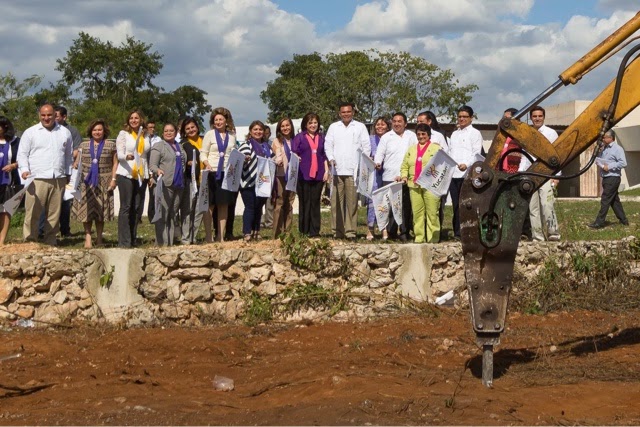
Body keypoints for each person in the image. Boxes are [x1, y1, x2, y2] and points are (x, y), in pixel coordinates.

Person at [17, 103, 73, 246]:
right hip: (37, 178)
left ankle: (50, 240)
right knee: (33, 212)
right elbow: (22, 154)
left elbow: (68, 156)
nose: (46, 118)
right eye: (43, 115)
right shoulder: (30, 132)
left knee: (54, 213)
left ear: (55, 115)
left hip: (58, 178)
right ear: (39, 115)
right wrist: (24, 170)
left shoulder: (65, 133)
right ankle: (30, 241)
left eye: (49, 115)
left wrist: (68, 174)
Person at [325, 102, 370, 240]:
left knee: (352, 203)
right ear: (339, 113)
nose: (346, 114)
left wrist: (362, 166)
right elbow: (328, 144)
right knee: (336, 203)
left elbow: (366, 147)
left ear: (353, 112)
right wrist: (331, 158)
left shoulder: (360, 127)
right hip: (337, 170)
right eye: (343, 112)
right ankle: (337, 231)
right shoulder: (334, 127)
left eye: (348, 112)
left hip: (353, 171)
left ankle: (350, 232)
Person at [72, 119, 117, 248]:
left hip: (104, 181)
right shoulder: (83, 145)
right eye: (95, 130)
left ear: (104, 131)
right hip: (86, 183)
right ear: (91, 131)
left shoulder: (111, 145)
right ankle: (88, 237)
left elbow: (115, 163)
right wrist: (75, 164)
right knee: (86, 211)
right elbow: (78, 162)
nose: (97, 132)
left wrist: (114, 180)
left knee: (100, 212)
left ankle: (99, 238)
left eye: (100, 130)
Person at [374, 112, 417, 241]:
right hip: (389, 176)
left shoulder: (411, 136)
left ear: (405, 123)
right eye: (394, 121)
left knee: (405, 206)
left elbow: (415, 152)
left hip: (405, 177)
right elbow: (379, 153)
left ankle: (404, 232)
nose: (397, 124)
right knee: (389, 206)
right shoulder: (387, 137)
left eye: (400, 121)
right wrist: (377, 163)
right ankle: (391, 232)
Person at [398, 123, 442, 243]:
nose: (421, 136)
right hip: (414, 184)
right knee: (417, 213)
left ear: (428, 135)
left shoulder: (436, 148)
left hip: (431, 185)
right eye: (418, 134)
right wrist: (404, 176)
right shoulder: (411, 149)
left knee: (432, 213)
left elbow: (442, 166)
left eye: (423, 134)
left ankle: (433, 237)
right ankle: (419, 237)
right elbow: (404, 166)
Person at [524, 106, 561, 241]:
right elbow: (524, 156)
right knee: (533, 208)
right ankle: (537, 236)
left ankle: (553, 234)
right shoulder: (527, 133)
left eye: (540, 116)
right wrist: (521, 175)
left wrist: (556, 177)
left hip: (546, 174)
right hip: (531, 174)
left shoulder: (551, 133)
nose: (537, 119)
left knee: (547, 205)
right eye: (535, 116)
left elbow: (557, 156)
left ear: (544, 117)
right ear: (531, 118)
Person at [201, 108, 237, 242]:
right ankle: (209, 236)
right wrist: (206, 163)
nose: (218, 122)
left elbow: (233, 153)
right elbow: (203, 152)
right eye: (215, 120)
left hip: (226, 173)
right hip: (211, 172)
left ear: (226, 121)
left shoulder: (232, 136)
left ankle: (220, 236)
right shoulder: (209, 134)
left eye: (220, 119)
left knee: (223, 204)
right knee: (210, 205)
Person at [447, 105, 483, 240]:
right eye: (460, 116)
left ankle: (470, 232)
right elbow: (450, 153)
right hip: (454, 174)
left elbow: (476, 153)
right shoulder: (454, 134)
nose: (462, 119)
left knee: (468, 204)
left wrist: (466, 164)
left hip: (467, 174)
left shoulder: (475, 133)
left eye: (465, 117)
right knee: (456, 204)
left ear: (471, 118)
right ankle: (457, 232)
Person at [115, 110, 150, 247]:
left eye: (137, 118)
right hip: (126, 172)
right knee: (126, 206)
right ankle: (124, 241)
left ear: (141, 119)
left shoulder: (146, 135)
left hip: (142, 174)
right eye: (131, 118)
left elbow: (146, 154)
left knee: (136, 207)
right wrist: (127, 157)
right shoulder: (124, 134)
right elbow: (119, 154)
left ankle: (132, 238)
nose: (134, 120)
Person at [148, 123, 186, 246]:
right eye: (166, 131)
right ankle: (160, 243)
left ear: (176, 132)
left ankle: (169, 242)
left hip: (178, 184)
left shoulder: (180, 146)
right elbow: (152, 165)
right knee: (162, 214)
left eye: (171, 130)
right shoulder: (158, 146)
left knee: (172, 214)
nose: (168, 133)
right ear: (163, 133)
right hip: (164, 184)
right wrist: (157, 171)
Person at [292, 113, 329, 237]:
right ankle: (304, 230)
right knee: (304, 202)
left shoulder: (322, 137)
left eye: (315, 123)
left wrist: (327, 171)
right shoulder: (299, 137)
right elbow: (294, 152)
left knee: (315, 202)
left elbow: (324, 155)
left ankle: (315, 231)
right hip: (303, 174)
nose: (313, 125)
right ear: (305, 124)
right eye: (310, 123)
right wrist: (297, 157)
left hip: (319, 174)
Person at [51, 106, 82, 238]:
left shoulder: (71, 131)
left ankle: (65, 229)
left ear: (64, 117)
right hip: (50, 171)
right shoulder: (49, 130)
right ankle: (44, 230)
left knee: (65, 201)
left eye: (57, 116)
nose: (54, 118)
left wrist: (71, 162)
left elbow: (76, 150)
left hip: (66, 171)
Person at [238, 120, 271, 241]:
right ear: (250, 132)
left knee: (259, 208)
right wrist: (245, 158)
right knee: (250, 207)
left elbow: (271, 159)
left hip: (262, 183)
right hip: (248, 181)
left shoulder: (267, 146)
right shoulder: (246, 145)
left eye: (260, 129)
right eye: (255, 129)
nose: (258, 132)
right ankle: (247, 232)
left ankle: (256, 231)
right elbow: (240, 155)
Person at [589, 129, 629, 229]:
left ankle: (599, 222)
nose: (603, 138)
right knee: (614, 201)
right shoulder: (604, 148)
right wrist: (598, 157)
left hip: (613, 177)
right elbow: (601, 160)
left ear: (611, 138)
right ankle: (624, 221)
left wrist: (610, 166)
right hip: (606, 177)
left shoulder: (617, 149)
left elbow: (623, 163)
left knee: (605, 199)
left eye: (605, 137)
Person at [417, 111, 448, 239]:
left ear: (429, 122)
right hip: (418, 177)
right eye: (418, 122)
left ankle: (435, 234)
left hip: (434, 177)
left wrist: (438, 148)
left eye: (421, 121)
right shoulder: (415, 135)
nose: (419, 124)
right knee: (419, 209)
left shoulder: (439, 136)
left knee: (434, 208)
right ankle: (420, 234)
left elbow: (446, 153)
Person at [179, 117, 204, 244]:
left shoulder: (204, 140)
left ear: (197, 127)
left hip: (204, 181)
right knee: (188, 209)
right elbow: (181, 161)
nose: (191, 130)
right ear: (184, 131)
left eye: (192, 127)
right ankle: (185, 238)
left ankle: (193, 236)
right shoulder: (183, 144)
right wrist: (188, 163)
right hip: (190, 180)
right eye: (187, 128)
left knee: (199, 210)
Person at [271, 117, 297, 238]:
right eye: (283, 126)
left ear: (291, 126)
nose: (285, 128)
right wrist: (279, 159)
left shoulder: (295, 140)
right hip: (281, 175)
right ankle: (276, 233)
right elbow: (277, 153)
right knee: (280, 203)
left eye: (287, 125)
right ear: (279, 128)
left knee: (289, 203)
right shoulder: (277, 141)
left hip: (292, 176)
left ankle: (288, 232)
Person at [365, 117, 389, 240]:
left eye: (383, 124)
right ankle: (370, 229)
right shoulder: (370, 140)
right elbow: (365, 154)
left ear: (387, 126)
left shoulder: (391, 138)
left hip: (387, 172)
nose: (380, 127)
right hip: (373, 174)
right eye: (377, 125)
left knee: (385, 201)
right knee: (372, 201)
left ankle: (384, 229)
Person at [0, 116, 20, 244]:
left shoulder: (15, 141)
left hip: (7, 181)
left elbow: (23, 158)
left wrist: (13, 166)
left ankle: (1, 241)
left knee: (5, 211)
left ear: (5, 127)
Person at [146, 120, 162, 224]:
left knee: (154, 194)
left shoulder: (158, 139)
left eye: (153, 127)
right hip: (145, 168)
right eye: (150, 127)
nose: (152, 129)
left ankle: (153, 215)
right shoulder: (143, 139)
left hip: (155, 169)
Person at [261, 125, 275, 230]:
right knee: (260, 200)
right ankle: (260, 222)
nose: (265, 135)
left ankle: (270, 222)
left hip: (270, 174)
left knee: (269, 201)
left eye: (267, 133)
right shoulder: (258, 144)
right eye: (264, 132)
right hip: (260, 175)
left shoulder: (271, 144)